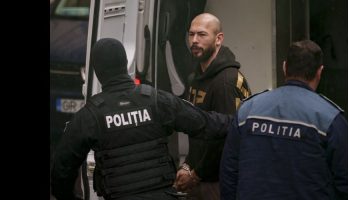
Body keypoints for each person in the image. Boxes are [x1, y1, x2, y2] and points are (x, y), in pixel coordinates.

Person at [50, 38, 232, 200]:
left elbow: (61, 169)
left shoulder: (89, 115)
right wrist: (243, 118)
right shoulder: (156, 100)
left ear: (97, 71)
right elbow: (206, 124)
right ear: (125, 63)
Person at [220, 39, 348, 200]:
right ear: (320, 71)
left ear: (284, 67)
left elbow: (229, 173)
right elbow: (345, 183)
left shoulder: (247, 111)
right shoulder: (331, 119)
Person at [174, 13, 251, 199]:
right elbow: (197, 131)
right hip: (201, 178)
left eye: (201, 35)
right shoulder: (195, 78)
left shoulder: (226, 81)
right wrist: (186, 165)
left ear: (219, 39)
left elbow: (227, 136)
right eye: (191, 34)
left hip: (219, 182)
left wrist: (195, 175)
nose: (194, 40)